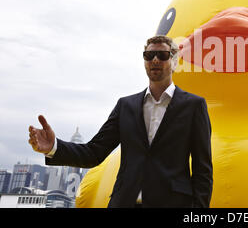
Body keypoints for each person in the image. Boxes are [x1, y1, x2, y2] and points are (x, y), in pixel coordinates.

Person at [28, 35, 213, 208]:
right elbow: (94, 152)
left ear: (174, 63)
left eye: (162, 55)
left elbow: (202, 171)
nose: (155, 60)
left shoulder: (194, 106)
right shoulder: (126, 106)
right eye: (149, 55)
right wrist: (54, 147)